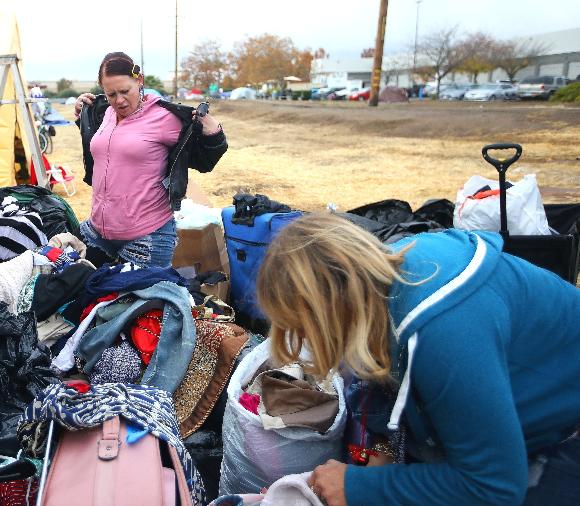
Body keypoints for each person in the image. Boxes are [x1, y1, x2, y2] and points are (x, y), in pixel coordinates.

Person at [256, 213, 580, 506]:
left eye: (304, 329)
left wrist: (359, 487)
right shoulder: (388, 276)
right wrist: (384, 451)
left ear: (329, 311)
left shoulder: (444, 331)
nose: (308, 343)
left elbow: (493, 486)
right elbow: (391, 376)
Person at [73, 52, 227, 268]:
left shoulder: (165, 117)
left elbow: (204, 161)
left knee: (136, 301)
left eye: (125, 91)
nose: (119, 100)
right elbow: (106, 147)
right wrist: (84, 115)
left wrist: (214, 134)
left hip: (147, 236)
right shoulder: (105, 113)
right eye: (111, 94)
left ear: (140, 80)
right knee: (75, 288)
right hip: (99, 230)